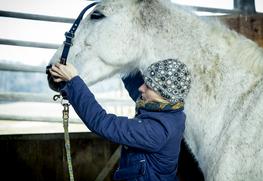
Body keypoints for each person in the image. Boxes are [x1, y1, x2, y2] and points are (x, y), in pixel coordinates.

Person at [49, 59, 191, 181]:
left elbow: (102, 122)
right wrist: (120, 60)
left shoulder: (157, 131)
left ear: (164, 95)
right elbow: (134, 84)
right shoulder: (169, 110)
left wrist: (73, 81)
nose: (141, 88)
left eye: (148, 86)